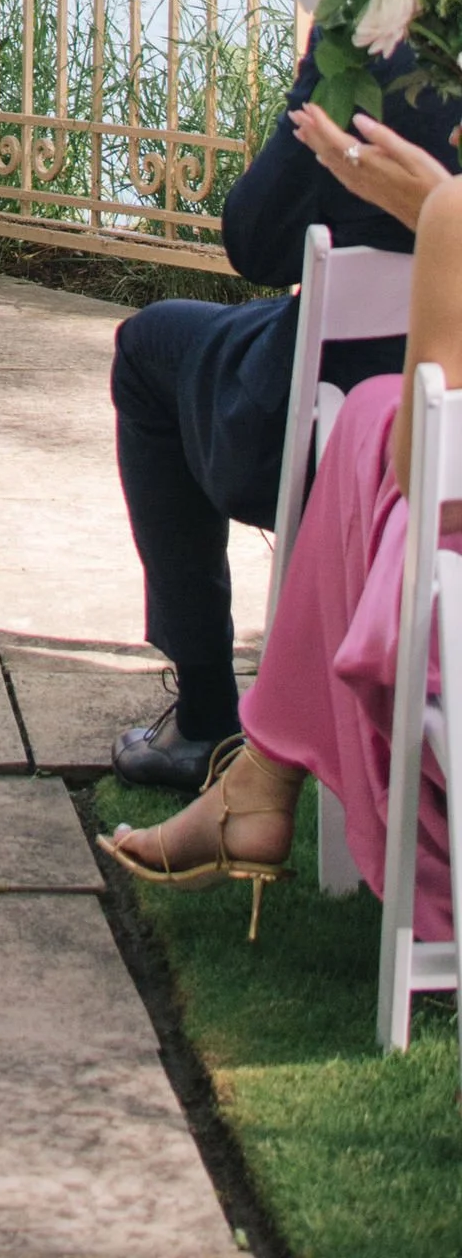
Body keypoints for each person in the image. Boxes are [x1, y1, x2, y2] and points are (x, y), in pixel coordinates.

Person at [102, 102, 462, 936]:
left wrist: (438, 214)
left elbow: (255, 239)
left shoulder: (379, 50)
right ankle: (259, 777)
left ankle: (222, 734)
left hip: (335, 435)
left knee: (362, 421)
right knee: (371, 422)